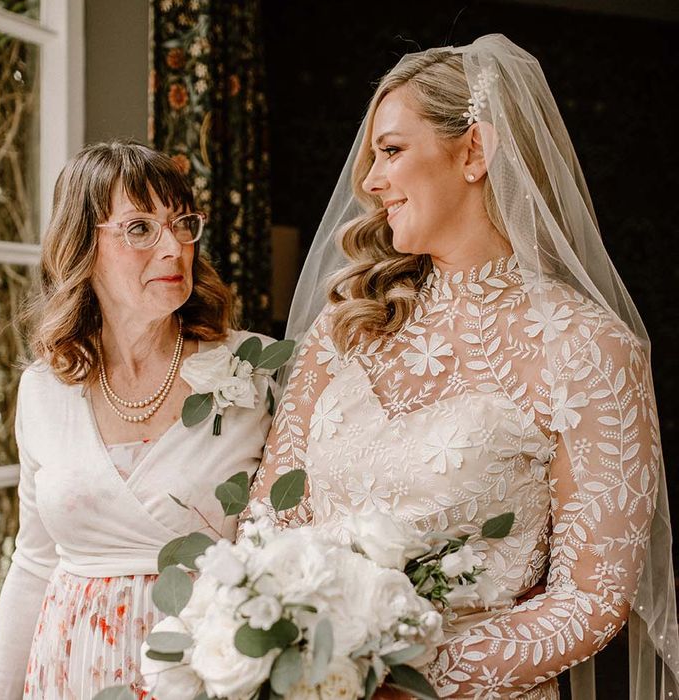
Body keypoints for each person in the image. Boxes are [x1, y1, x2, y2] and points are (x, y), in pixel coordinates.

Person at [250, 35, 679, 698]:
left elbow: (592, 599)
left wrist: (397, 678)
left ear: (474, 151)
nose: (369, 180)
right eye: (372, 157)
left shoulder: (589, 348)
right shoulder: (344, 327)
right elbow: (270, 518)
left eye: (391, 150)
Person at [0, 141, 275, 698]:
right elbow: (34, 562)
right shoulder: (44, 389)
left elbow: (291, 543)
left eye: (181, 223)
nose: (174, 248)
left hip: (207, 670)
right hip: (68, 670)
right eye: (139, 228)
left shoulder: (256, 371)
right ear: (82, 247)